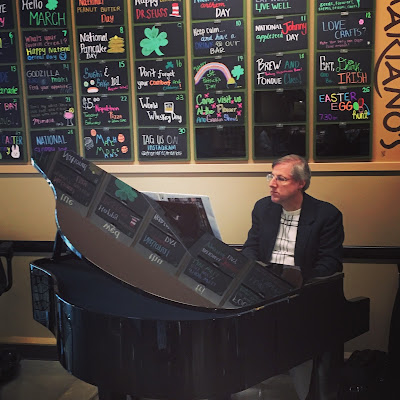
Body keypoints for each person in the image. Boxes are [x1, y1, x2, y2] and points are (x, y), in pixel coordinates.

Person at [242, 154, 344, 400]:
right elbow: (251, 247)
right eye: (271, 176)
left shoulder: (326, 214)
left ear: (301, 183)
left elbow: (330, 262)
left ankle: (305, 393)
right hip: (264, 287)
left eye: (281, 178)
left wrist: (298, 279)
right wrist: (250, 268)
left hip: (302, 291)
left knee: (299, 336)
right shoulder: (263, 208)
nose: (271, 184)